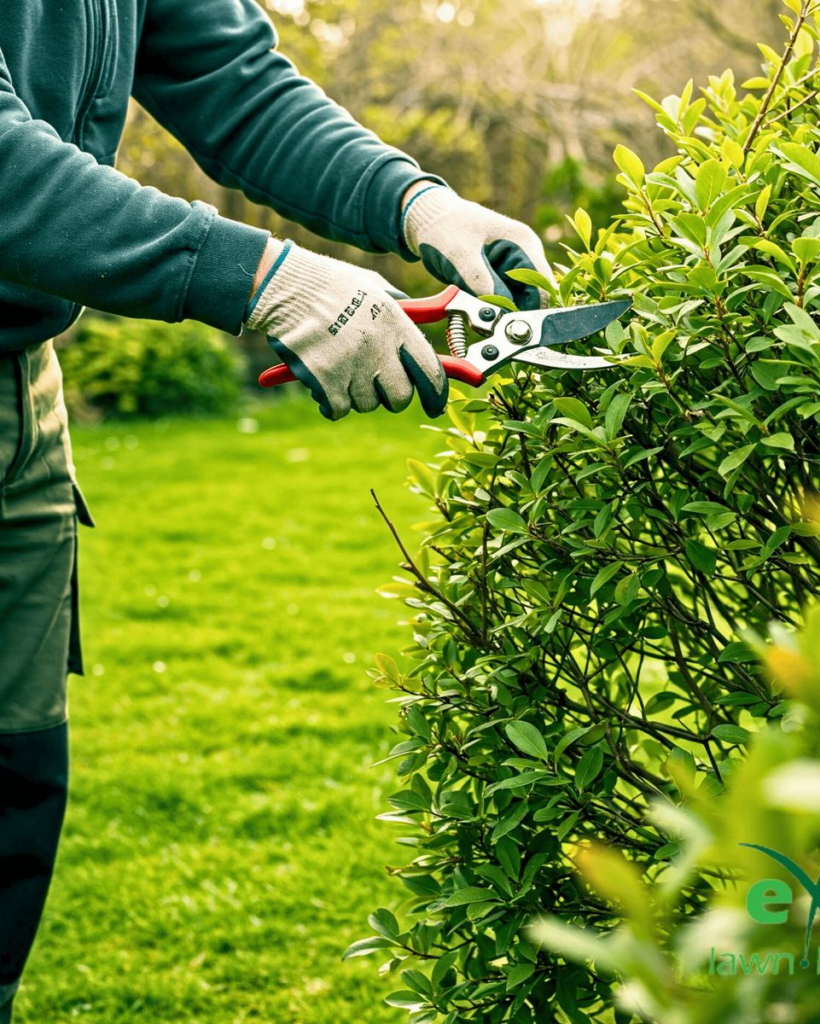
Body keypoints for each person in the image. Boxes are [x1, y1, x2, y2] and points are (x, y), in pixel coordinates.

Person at [0, 1, 554, 1018]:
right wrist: (261, 276)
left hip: (20, 384)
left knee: (14, 785)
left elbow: (237, 86)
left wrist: (414, 203)